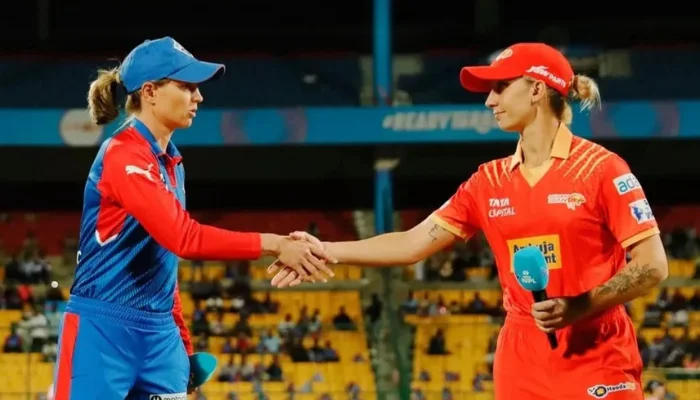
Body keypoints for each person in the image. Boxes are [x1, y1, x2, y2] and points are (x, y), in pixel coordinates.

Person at [269, 43, 669, 399]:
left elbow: (652, 265)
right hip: (521, 355)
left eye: (500, 87)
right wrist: (323, 249)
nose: (489, 101)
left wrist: (580, 306)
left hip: (597, 349)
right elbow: (412, 243)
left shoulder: (602, 169)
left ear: (536, 89)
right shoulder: (487, 182)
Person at [53, 37, 333, 400]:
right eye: (186, 87)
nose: (198, 97)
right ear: (150, 92)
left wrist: (183, 346)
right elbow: (184, 238)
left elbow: (164, 263)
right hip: (102, 332)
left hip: (161, 339)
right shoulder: (123, 155)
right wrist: (277, 244)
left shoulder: (172, 163)